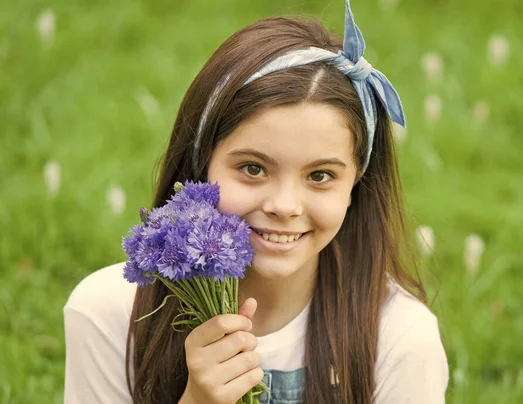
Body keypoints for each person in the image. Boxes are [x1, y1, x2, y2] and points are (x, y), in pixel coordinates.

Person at [63, 1, 449, 403]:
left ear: (357, 186)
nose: (284, 206)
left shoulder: (399, 339)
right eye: (252, 168)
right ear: (201, 163)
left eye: (320, 176)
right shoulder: (110, 313)